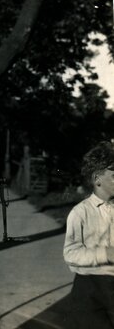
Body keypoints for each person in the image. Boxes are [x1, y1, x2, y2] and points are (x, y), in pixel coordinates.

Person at [63, 141, 114, 329]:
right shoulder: (81, 212)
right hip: (90, 287)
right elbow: (70, 253)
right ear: (97, 179)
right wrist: (105, 254)